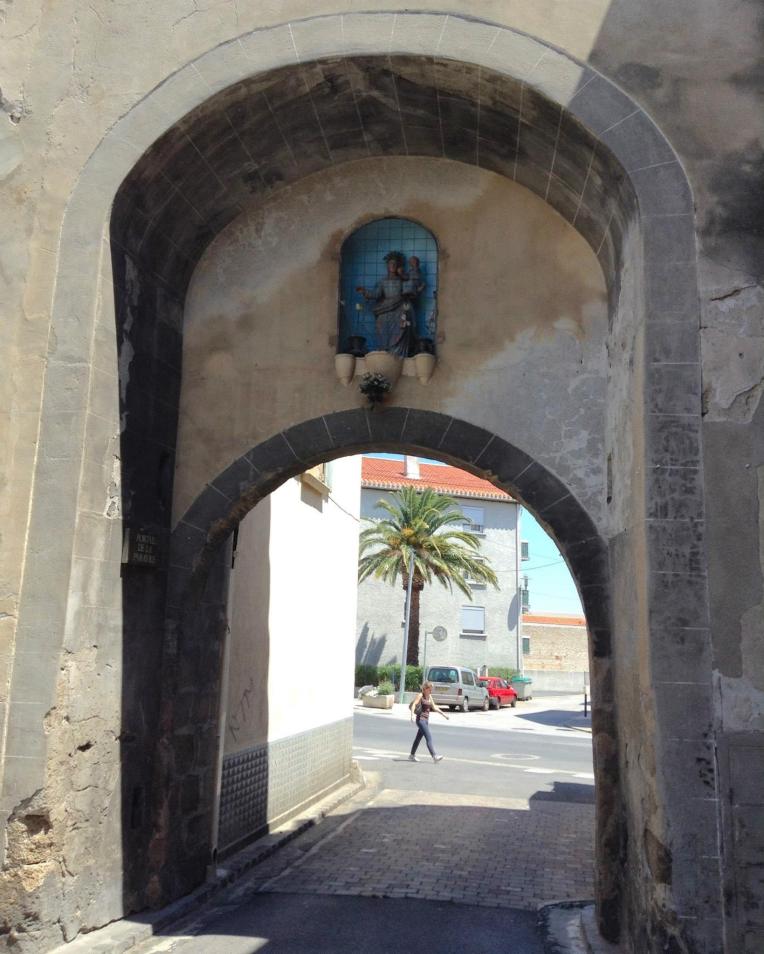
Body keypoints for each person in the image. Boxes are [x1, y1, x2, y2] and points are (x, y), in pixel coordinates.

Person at [408, 680, 448, 762]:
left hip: (426, 721)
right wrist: (412, 715)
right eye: (430, 689)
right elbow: (414, 704)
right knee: (428, 737)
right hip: (420, 720)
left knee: (418, 739)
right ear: (425, 688)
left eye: (431, 689)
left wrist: (444, 714)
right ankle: (434, 756)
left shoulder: (429, 696)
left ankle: (411, 755)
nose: (431, 690)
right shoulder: (420, 695)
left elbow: (434, 707)